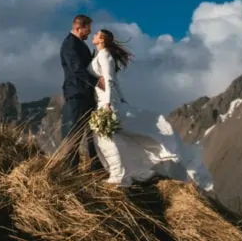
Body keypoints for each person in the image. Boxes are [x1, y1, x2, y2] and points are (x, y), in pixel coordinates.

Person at [88, 28, 213, 190]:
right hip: (105, 100)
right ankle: (137, 172)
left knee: (106, 138)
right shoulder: (100, 55)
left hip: (107, 103)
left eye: (97, 34)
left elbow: (110, 80)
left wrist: (108, 104)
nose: (94, 35)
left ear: (102, 39)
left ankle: (119, 176)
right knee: (115, 139)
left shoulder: (105, 56)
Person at [59, 13, 105, 170]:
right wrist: (97, 82)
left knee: (92, 133)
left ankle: (95, 168)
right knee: (74, 134)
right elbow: (77, 69)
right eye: (88, 29)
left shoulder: (78, 44)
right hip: (77, 94)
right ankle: (70, 171)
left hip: (85, 95)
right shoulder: (70, 45)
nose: (90, 33)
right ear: (79, 28)